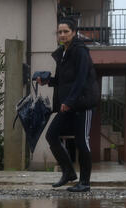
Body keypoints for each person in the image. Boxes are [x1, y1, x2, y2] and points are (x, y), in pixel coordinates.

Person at [36, 18, 99, 192]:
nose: (62, 35)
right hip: (68, 104)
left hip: (83, 104)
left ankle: (85, 182)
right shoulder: (63, 53)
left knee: (82, 141)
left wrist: (70, 101)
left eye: (66, 31)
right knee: (51, 135)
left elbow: (80, 79)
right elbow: (64, 81)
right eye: (60, 32)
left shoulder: (80, 51)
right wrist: (47, 81)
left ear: (73, 32)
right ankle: (69, 173)